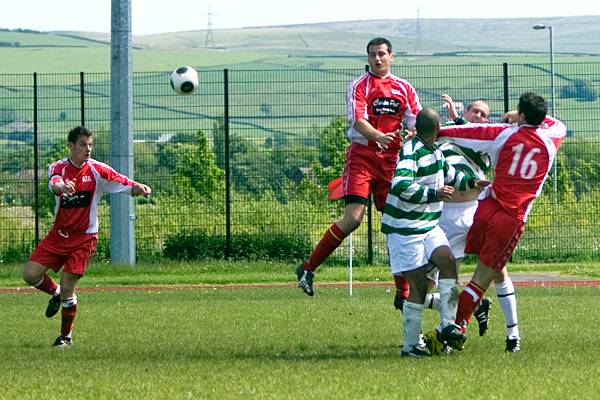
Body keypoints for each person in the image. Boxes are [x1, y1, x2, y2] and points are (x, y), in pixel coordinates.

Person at [438, 92, 566, 352]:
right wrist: (526, 117)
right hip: (510, 218)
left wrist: (437, 130)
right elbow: (559, 125)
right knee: (482, 276)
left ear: (521, 114)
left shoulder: (505, 134)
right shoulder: (551, 141)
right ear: (541, 118)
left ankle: (501, 331)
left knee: (485, 271)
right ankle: (456, 325)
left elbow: (474, 133)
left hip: (485, 208)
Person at [296, 37, 422, 296]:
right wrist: (378, 136)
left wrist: (412, 133)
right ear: (368, 58)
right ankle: (308, 268)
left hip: (392, 162)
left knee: (395, 224)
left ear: (391, 56)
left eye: (382, 54)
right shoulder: (359, 86)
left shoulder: (404, 88)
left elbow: (416, 121)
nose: (378, 59)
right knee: (353, 219)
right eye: (373, 54)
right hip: (362, 157)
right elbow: (358, 122)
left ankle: (403, 292)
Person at [22, 126, 151, 348]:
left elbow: (120, 181)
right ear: (70, 146)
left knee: (68, 284)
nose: (88, 149)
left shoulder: (96, 170)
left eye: (90, 144)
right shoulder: (59, 167)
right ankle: (55, 292)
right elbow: (54, 182)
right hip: (58, 235)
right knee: (30, 275)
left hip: (84, 238)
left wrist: (137, 187)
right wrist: (62, 187)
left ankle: (65, 338)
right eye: (83, 145)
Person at [382, 107, 489, 357]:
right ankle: (411, 346)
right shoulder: (411, 150)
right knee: (419, 286)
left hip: (428, 225)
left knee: (447, 261)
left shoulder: (435, 151)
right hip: (405, 229)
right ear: (438, 129)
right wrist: (434, 194)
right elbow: (400, 185)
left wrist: (472, 182)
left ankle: (449, 324)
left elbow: (451, 175)